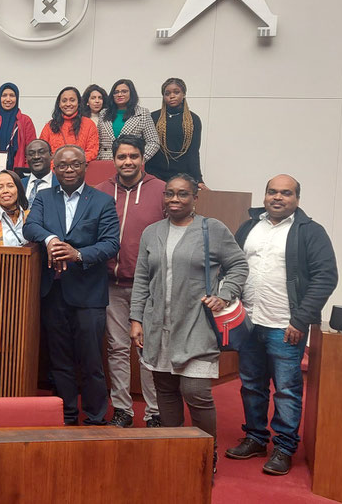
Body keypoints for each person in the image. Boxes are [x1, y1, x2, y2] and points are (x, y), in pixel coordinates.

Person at [130, 174, 248, 472]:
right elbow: (142, 279)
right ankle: (177, 452)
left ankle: (206, 456)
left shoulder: (212, 229)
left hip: (197, 326)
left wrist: (224, 294)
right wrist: (136, 318)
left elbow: (238, 265)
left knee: (196, 392)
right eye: (169, 194)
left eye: (182, 194)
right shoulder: (152, 232)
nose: (174, 199)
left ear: (195, 197)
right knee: (166, 393)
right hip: (158, 327)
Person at [226, 175, 338, 476]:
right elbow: (233, 266)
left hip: (285, 326)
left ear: (297, 199)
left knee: (286, 390)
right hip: (248, 322)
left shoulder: (310, 232)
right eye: (272, 192)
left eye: (286, 193)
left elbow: (326, 277)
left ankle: (284, 448)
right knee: (251, 385)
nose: (278, 197)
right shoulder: (249, 227)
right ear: (265, 196)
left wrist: (301, 319)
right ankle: (255, 438)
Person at [23, 145, 120, 425]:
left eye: (75, 165)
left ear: (85, 167)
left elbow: (111, 243)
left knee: (91, 361)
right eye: (63, 165)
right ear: (54, 167)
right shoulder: (42, 197)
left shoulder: (102, 201)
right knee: (60, 360)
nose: (68, 170)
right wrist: (51, 240)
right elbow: (31, 228)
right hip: (53, 292)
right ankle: (66, 414)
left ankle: (95, 415)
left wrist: (78, 254)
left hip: (88, 293)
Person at [95, 135, 165, 428]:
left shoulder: (161, 191)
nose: (127, 162)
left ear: (142, 159)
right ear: (114, 159)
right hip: (111, 284)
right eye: (122, 156)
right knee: (117, 349)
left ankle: (154, 412)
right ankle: (123, 409)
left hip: (148, 288)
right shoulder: (99, 192)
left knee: (149, 351)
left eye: (133, 156)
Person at [146, 78, 206, 188]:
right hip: (154, 174)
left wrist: (199, 179)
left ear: (184, 94)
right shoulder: (153, 117)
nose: (171, 96)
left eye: (176, 92)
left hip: (181, 176)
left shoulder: (193, 120)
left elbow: (193, 152)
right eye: (167, 93)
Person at [0, 82, 37, 177]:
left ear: (17, 98)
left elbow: (32, 150)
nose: (8, 99)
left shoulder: (25, 121)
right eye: (4, 95)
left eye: (12, 95)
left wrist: (25, 169)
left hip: (17, 174)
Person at [97, 79, 160, 161]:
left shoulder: (142, 113)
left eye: (124, 91)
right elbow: (97, 141)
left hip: (129, 162)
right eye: (116, 92)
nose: (119, 94)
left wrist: (139, 159)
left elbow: (154, 142)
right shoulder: (104, 113)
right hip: (104, 161)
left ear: (131, 93)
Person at [39, 87, 99, 162]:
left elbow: (92, 152)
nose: (68, 104)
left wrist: (72, 163)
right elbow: (42, 152)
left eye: (72, 100)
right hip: (55, 169)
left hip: (80, 169)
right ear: (59, 104)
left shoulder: (89, 124)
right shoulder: (49, 126)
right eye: (64, 101)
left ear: (78, 103)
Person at [20, 139, 57, 205]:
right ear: (26, 159)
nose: (36, 157)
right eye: (31, 154)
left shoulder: (61, 184)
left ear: (51, 155)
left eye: (41, 152)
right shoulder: (18, 185)